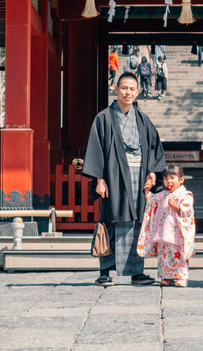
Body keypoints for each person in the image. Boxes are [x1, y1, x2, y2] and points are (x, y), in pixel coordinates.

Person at [82, 71, 166, 287]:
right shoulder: (103, 118)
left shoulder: (143, 119)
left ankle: (137, 272)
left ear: (138, 92)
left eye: (132, 89)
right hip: (113, 175)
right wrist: (99, 178)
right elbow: (96, 148)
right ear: (116, 89)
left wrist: (152, 172)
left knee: (137, 221)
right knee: (112, 217)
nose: (128, 92)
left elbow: (154, 147)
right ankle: (104, 271)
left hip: (139, 174)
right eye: (124, 88)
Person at [137, 164, 195, 287]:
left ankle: (181, 277)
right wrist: (148, 191)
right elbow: (151, 200)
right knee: (165, 256)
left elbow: (187, 211)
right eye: (166, 178)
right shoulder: (162, 194)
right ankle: (167, 277)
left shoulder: (185, 195)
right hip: (163, 231)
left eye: (172, 178)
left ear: (181, 179)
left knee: (178, 255)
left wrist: (175, 206)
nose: (169, 181)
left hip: (178, 232)